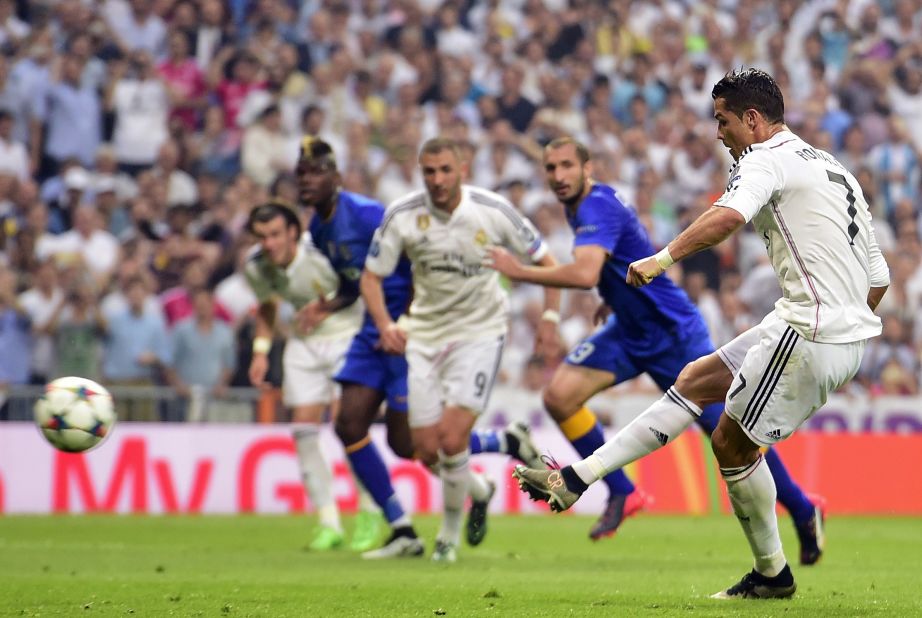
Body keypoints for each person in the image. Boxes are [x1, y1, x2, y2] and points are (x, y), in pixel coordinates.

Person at [512, 69, 889, 599]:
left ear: (752, 121)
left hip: (810, 329)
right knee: (695, 380)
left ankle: (771, 575)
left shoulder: (763, 159)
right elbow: (879, 276)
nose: (719, 133)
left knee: (731, 443)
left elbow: (729, 215)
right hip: (808, 321)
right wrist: (847, 330)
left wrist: (661, 258)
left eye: (723, 121)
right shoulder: (832, 167)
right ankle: (578, 477)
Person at [487, 136, 827, 558]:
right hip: (628, 331)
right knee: (559, 397)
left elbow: (584, 272)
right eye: (550, 168)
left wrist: (516, 270)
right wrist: (614, 298)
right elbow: (616, 260)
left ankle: (802, 508)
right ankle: (622, 492)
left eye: (565, 166)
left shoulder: (596, 206)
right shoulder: (581, 207)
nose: (558, 176)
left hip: (673, 335)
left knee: (730, 434)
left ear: (586, 169)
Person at [296, 137, 544, 559]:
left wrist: (410, 318)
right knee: (349, 424)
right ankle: (402, 528)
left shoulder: (371, 214)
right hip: (377, 328)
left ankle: (495, 454)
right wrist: (334, 305)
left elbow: (426, 262)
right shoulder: (318, 229)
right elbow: (362, 280)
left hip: (413, 329)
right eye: (300, 175)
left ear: (336, 178)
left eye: (316, 173)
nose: (306, 182)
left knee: (412, 443)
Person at [361, 137, 561, 563]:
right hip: (424, 335)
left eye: (445, 170)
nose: (437, 180)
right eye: (429, 172)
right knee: (426, 449)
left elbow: (549, 264)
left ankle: (447, 538)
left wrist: (549, 320)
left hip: (479, 332)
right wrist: (384, 324)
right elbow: (371, 277)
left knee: (453, 438)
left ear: (463, 169)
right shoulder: (402, 215)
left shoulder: (492, 210)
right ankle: (482, 487)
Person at [244, 200, 374, 551]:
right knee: (303, 429)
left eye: (274, 235)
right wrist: (260, 351)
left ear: (292, 233)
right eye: (261, 237)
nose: (268, 244)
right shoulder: (256, 267)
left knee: (349, 425)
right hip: (302, 343)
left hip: (346, 336)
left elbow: (357, 286)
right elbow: (268, 305)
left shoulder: (322, 253)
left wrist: (326, 308)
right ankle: (328, 522)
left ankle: (368, 511)